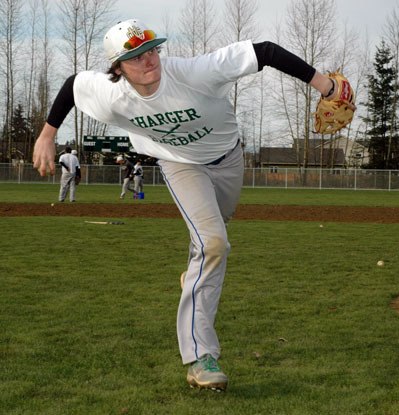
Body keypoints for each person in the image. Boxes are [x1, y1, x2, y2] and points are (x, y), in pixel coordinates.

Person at [32, 18, 354, 391]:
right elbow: (74, 85)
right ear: (118, 68)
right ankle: (201, 358)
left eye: (151, 50)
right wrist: (47, 134)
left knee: (211, 241)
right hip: (179, 163)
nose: (148, 60)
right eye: (135, 56)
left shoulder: (193, 73)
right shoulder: (112, 94)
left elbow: (263, 51)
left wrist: (326, 86)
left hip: (229, 159)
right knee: (213, 244)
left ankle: (194, 275)